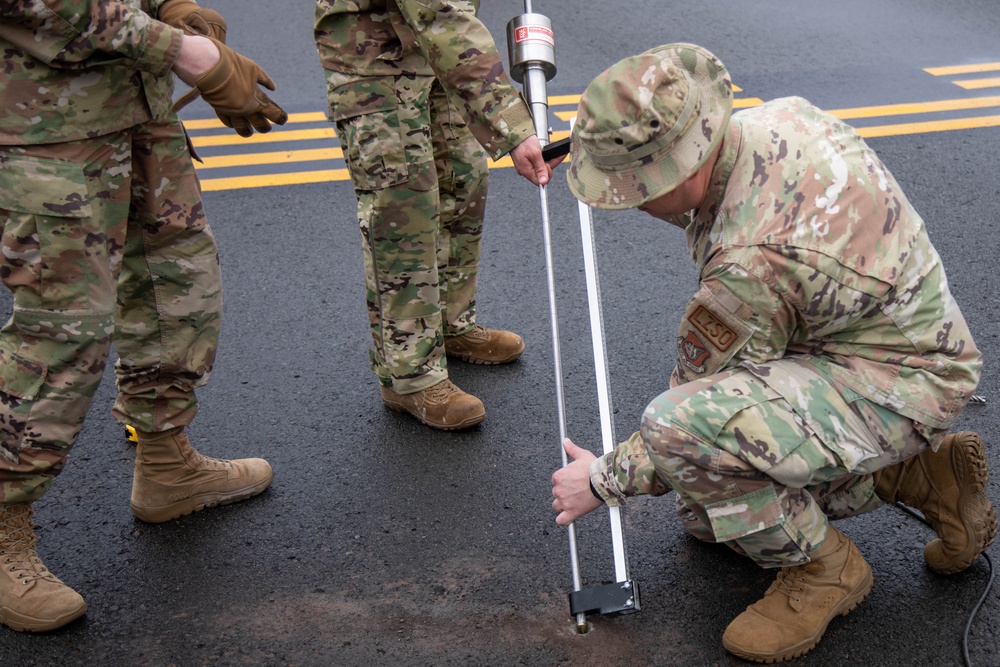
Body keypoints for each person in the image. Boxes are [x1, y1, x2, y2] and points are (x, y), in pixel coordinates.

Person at [549, 43, 997, 662]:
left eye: (632, 190)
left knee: (682, 442)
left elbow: (692, 418)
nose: (631, 206)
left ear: (679, 171)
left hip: (902, 382)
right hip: (887, 342)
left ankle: (826, 571)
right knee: (705, 509)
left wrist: (602, 479)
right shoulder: (774, 122)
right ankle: (918, 475)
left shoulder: (750, 261)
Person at [0, 0, 288, 632]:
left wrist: (169, 9)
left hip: (138, 107)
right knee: (62, 330)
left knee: (176, 286)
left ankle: (166, 465)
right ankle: (3, 524)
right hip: (47, 123)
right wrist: (185, 52)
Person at [314, 0, 554, 431]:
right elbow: (439, 13)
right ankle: (409, 375)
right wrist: (514, 125)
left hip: (435, 58)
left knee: (463, 185)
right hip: (377, 60)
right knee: (404, 216)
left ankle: (448, 325)